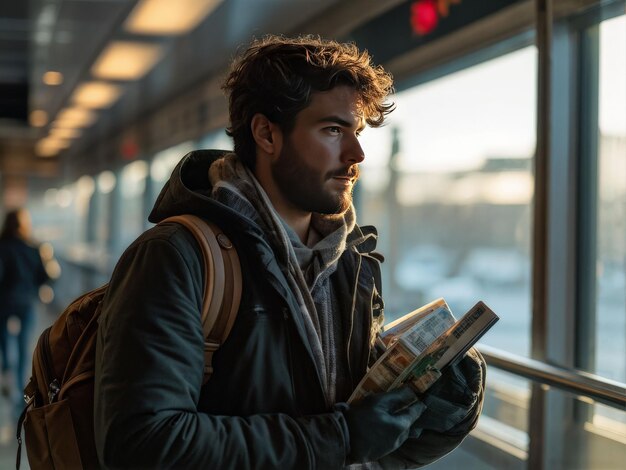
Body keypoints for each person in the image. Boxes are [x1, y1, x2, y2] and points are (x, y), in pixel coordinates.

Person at [94, 35, 486, 469]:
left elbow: (367, 453)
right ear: (266, 133)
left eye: (355, 132)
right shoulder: (176, 257)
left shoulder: (350, 264)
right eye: (333, 130)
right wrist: (341, 436)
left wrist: (446, 415)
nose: (356, 153)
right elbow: (143, 445)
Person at [0, 209, 50, 406]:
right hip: (26, 302)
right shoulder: (33, 248)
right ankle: (20, 384)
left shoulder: (1, 246)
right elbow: (44, 276)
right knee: (23, 344)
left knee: (3, 339)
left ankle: (5, 369)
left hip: (3, 302)